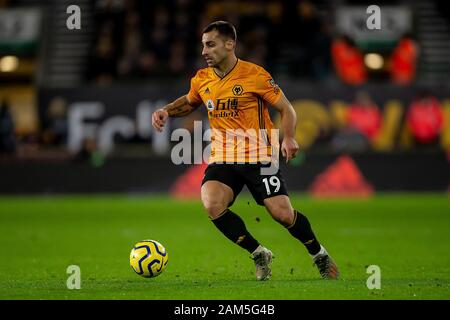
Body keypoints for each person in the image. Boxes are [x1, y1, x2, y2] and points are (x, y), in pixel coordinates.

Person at [151, 21, 339, 281]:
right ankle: (259, 253)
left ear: (230, 44)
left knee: (282, 214)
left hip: (259, 155)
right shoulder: (202, 79)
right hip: (224, 157)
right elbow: (189, 101)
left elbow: (287, 109)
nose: (204, 51)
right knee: (212, 203)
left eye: (210, 44)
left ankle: (318, 254)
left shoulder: (255, 75)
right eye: (203, 45)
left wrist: (290, 138)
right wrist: (166, 110)